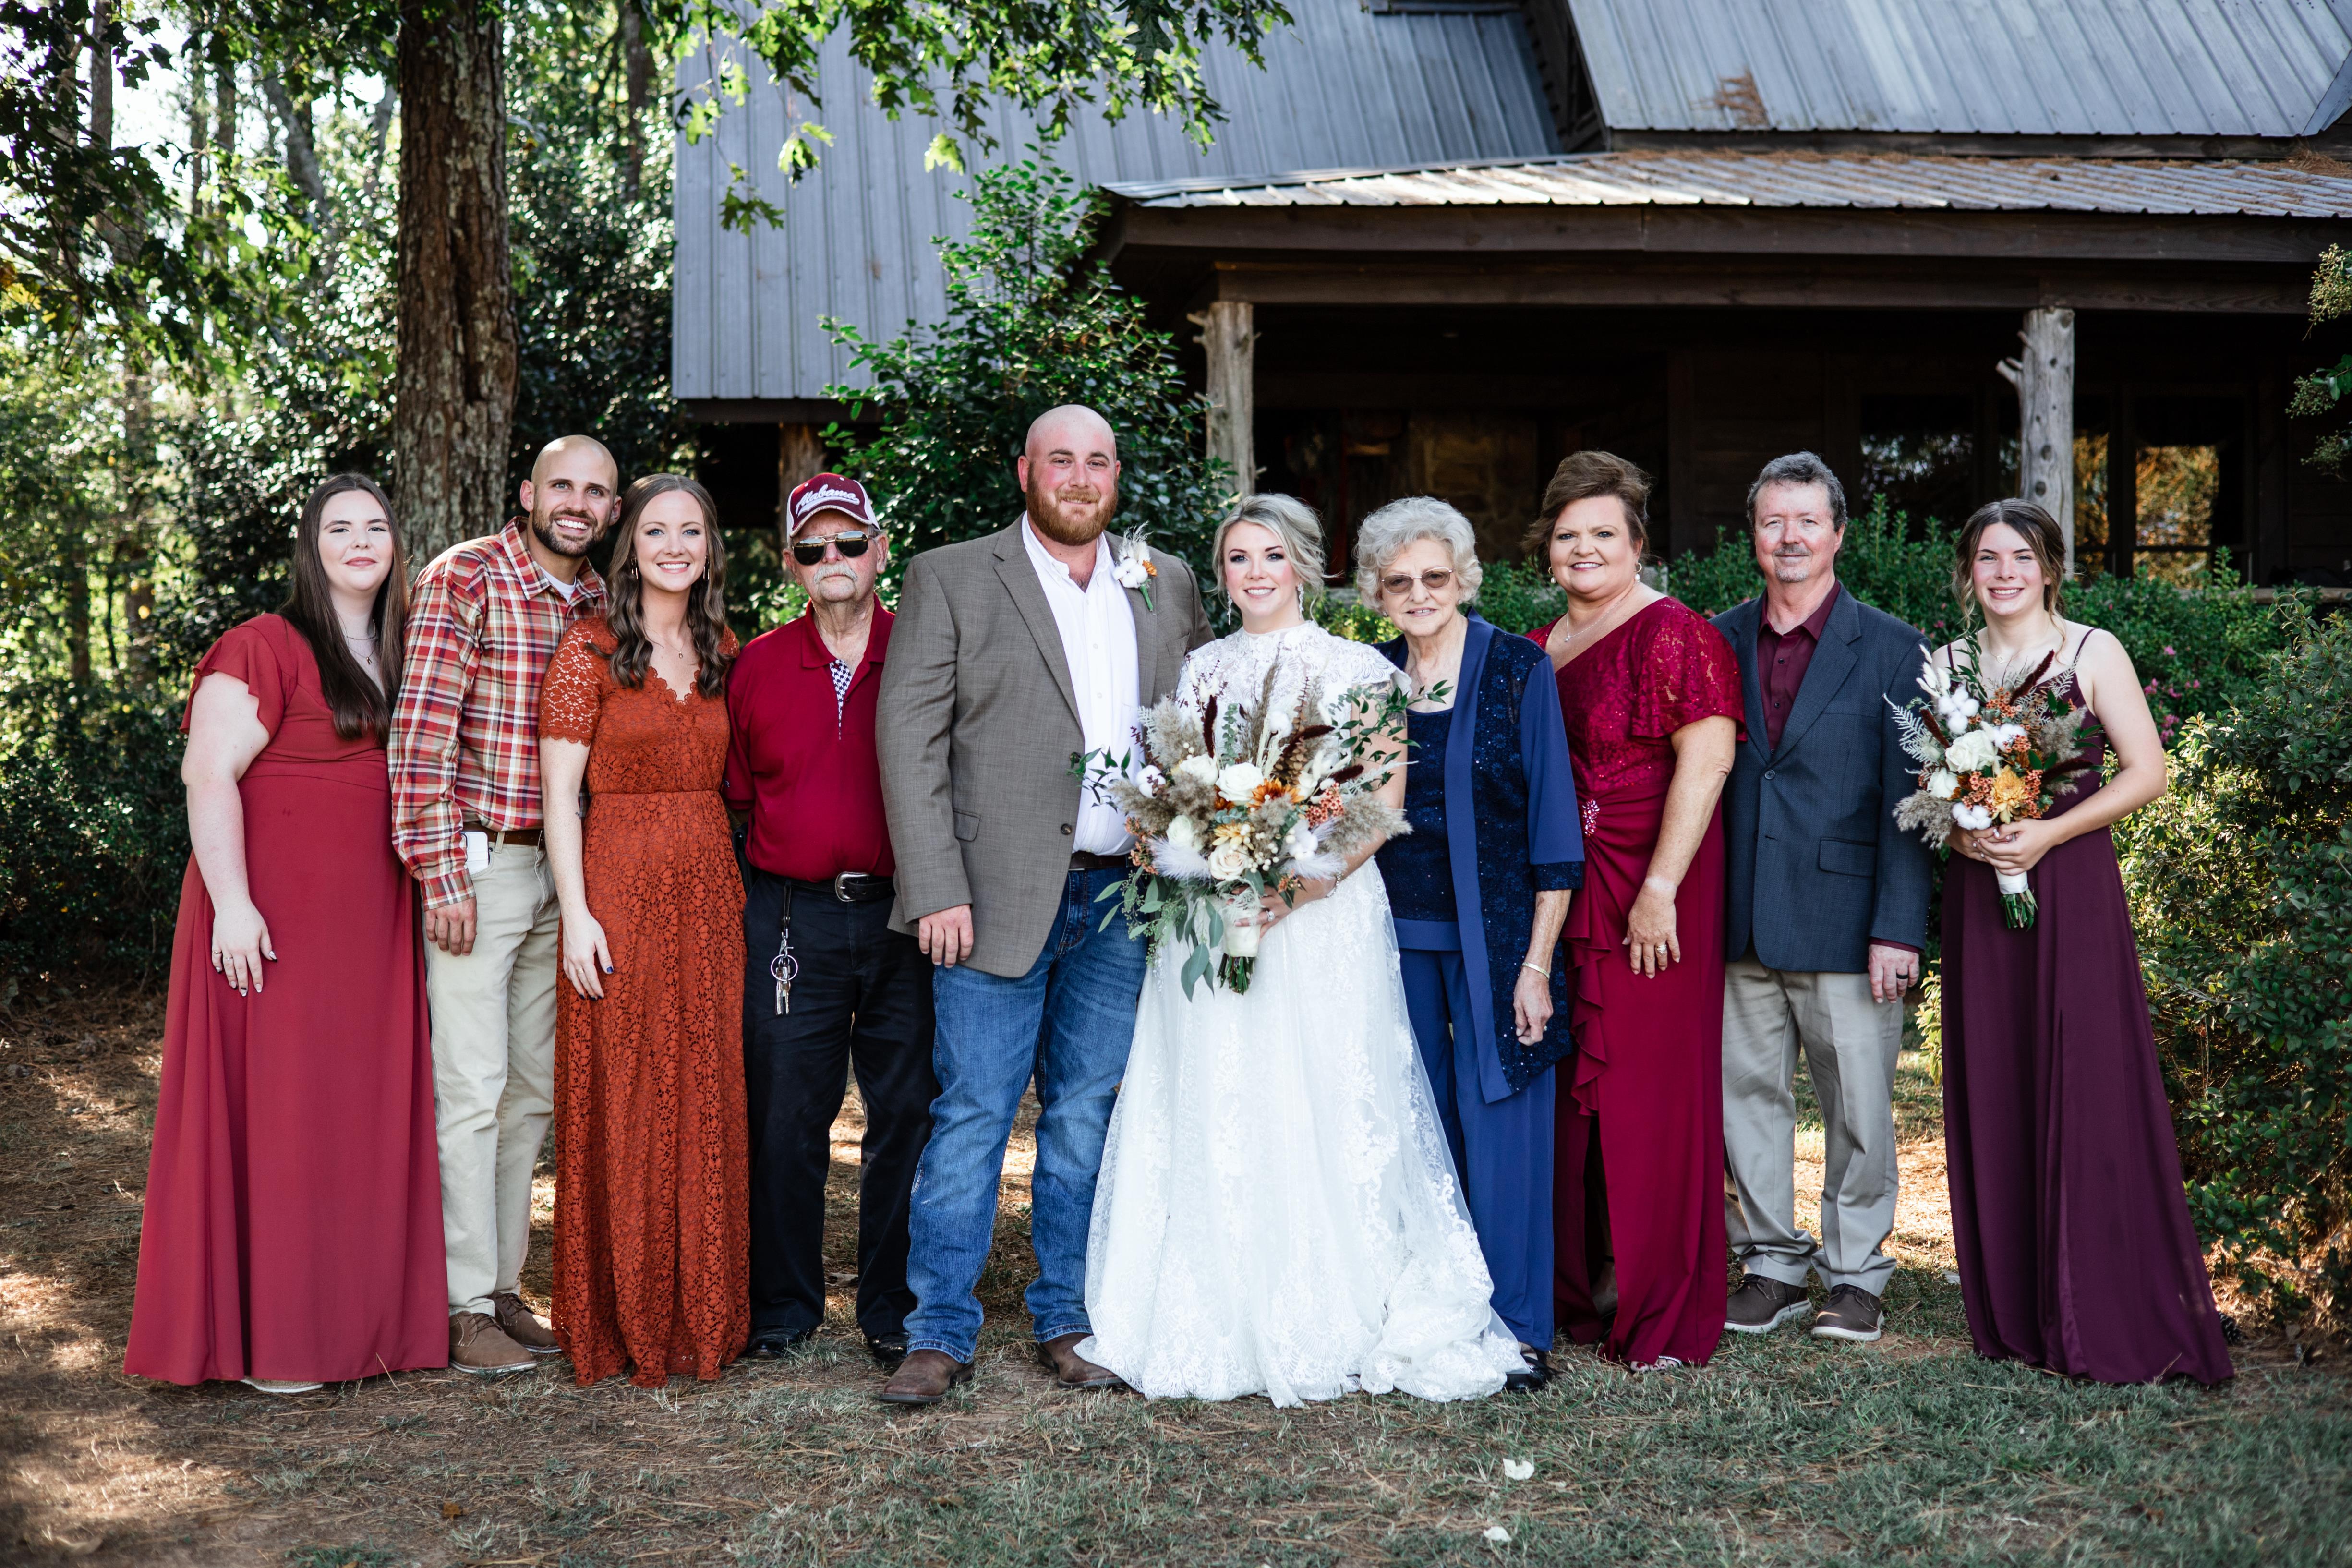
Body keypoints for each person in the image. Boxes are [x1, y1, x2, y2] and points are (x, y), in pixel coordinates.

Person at [1079, 495, 1529, 1406]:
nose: (1254, 572)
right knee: (1220, 1084)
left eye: (1272, 556)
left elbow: (1380, 793)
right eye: (1238, 557)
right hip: (1213, 910)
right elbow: (1176, 784)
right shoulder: (1201, 666)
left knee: (1325, 1086)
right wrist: (1206, 855)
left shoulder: (1360, 668)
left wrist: (1295, 881)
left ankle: (1344, 1296)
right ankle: (1211, 1295)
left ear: (1306, 567)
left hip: (1322, 916)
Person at [874, 404, 1211, 1405]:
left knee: (1084, 1117)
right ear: (1025, 470)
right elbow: (909, 739)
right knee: (973, 1114)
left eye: (1096, 461)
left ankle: (1067, 1316)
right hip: (986, 901)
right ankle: (937, 1331)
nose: (1078, 477)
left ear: (1115, 476)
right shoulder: (951, 574)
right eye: (1059, 459)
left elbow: (1198, 721)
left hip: (1122, 901)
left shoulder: (1164, 579)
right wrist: (934, 885)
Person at [127, 474, 446, 1393]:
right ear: (311, 547)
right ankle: (277, 1341)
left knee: (353, 1114)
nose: (360, 541)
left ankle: (358, 1327)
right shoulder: (263, 644)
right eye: (338, 528)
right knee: (282, 1115)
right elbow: (207, 774)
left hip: (370, 925)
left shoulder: (401, 649)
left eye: (376, 526)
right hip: (270, 923)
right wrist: (232, 901)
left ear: (396, 544)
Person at [1937, 500, 2233, 1386]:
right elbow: (1933, 784)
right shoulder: (1951, 663)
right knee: (1999, 1075)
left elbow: (2149, 772)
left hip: (2070, 887)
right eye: (1987, 558)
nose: (2003, 573)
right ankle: (2018, 1304)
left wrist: (2047, 836)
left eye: (2020, 557)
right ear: (1968, 574)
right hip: (1981, 891)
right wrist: (1967, 834)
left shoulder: (2092, 650)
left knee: (2086, 1075)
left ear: (2050, 567)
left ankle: (2099, 1300)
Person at [390, 434, 618, 1375]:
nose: (577, 502)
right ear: (528, 492)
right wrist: (440, 875)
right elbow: (419, 738)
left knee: (531, 1096)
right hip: (481, 870)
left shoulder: (604, 602)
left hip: (564, 878)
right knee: (471, 1092)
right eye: (561, 485)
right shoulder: (467, 578)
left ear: (609, 507)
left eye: (595, 491)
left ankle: (502, 1292)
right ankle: (454, 1303)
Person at [1360, 496, 1584, 1390]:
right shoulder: (1369, 679)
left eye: (1436, 578)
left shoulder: (1519, 670)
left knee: (1504, 1123)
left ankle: (1516, 1325)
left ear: (1465, 581)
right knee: (1412, 1125)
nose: (1420, 594)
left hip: (1498, 939)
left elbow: (1555, 833)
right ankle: (1428, 1310)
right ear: (1378, 594)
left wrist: (1537, 966)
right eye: (1401, 581)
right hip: (1389, 937)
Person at [1710, 453, 1934, 1345]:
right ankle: (1771, 1264)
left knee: (1859, 1107)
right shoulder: (1714, 638)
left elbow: (1912, 802)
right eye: (1773, 522)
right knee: (1747, 1097)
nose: (1790, 538)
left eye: (1808, 521)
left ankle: (1854, 1274)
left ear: (1839, 533)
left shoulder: (1892, 645)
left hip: (1850, 923)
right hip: (1737, 913)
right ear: (1755, 537)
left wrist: (1898, 925)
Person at [1530, 450, 1740, 1371]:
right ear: (1548, 550)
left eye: (1602, 534)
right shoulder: (1539, 647)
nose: (1584, 549)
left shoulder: (1676, 634)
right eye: (1568, 535)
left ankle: (1661, 1306)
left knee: (1649, 1094)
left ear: (1638, 542)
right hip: (1567, 886)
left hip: (1652, 881)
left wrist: (1660, 889)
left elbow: (1709, 762)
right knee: (1575, 1101)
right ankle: (1583, 1290)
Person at [538, 474, 749, 1388]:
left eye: (691, 531)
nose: (674, 546)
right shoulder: (590, 647)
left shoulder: (724, 645)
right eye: (657, 530)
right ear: (632, 546)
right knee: (624, 1092)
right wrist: (577, 912)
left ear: (710, 547)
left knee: (705, 1087)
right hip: (615, 882)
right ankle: (618, 1315)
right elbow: (557, 797)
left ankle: (703, 1314)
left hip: (709, 889)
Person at [724, 473, 935, 1368]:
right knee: (785, 1113)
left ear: (881, 552)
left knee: (908, 1113)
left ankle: (889, 1304)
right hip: (789, 918)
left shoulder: (926, 650)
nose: (834, 560)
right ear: (792, 565)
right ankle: (783, 1302)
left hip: (906, 917)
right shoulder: (758, 664)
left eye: (851, 543)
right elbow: (734, 796)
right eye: (814, 548)